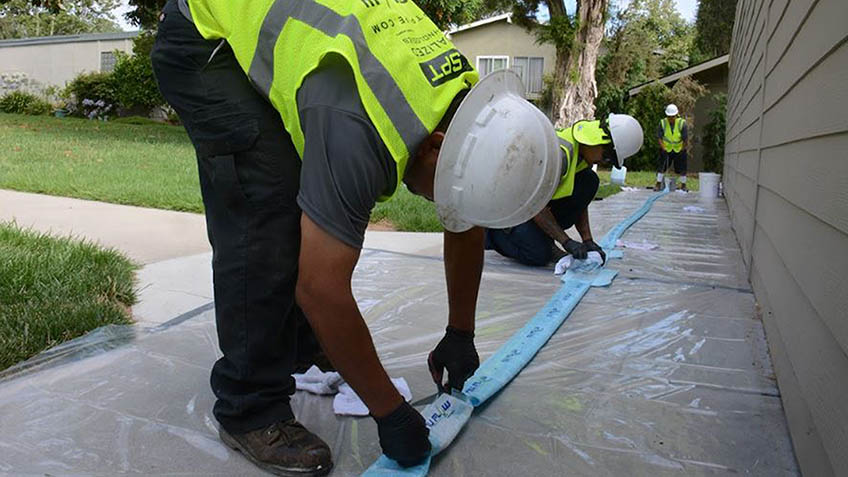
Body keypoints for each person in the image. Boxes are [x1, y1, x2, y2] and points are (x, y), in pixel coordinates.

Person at [151, 1, 563, 475]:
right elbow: (320, 288)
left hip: (301, 51)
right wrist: (391, 414)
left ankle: (301, 345)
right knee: (265, 200)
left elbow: (464, 216)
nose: (441, 205)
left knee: (303, 198)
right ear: (436, 145)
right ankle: (250, 406)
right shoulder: (358, 124)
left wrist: (461, 332)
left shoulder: (467, 104)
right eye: (444, 187)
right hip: (203, 38)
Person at [486, 115, 644, 267]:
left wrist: (587, 240)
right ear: (598, 141)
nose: (604, 162)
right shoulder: (558, 155)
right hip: (510, 212)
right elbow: (537, 206)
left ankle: (541, 239)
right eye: (607, 157)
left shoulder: (582, 155)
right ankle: (493, 236)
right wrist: (566, 241)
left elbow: (580, 203)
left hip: (531, 207)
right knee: (538, 255)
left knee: (589, 180)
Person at [655, 103, 689, 191]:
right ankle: (658, 184)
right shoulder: (663, 123)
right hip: (666, 148)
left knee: (682, 168)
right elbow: (659, 137)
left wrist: (682, 148)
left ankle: (683, 185)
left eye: (672, 116)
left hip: (679, 149)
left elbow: (685, 139)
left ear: (676, 115)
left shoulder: (682, 123)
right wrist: (663, 148)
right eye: (669, 116)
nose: (671, 118)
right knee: (661, 167)